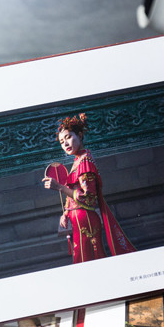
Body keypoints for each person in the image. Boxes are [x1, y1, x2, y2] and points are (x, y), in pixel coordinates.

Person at [42, 113, 136, 263]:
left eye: (68, 137)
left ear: (80, 135)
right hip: (79, 220)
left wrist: (59, 187)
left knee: (88, 260)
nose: (65, 144)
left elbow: (89, 198)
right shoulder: (77, 161)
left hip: (86, 221)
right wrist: (66, 213)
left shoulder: (85, 162)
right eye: (61, 142)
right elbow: (73, 193)